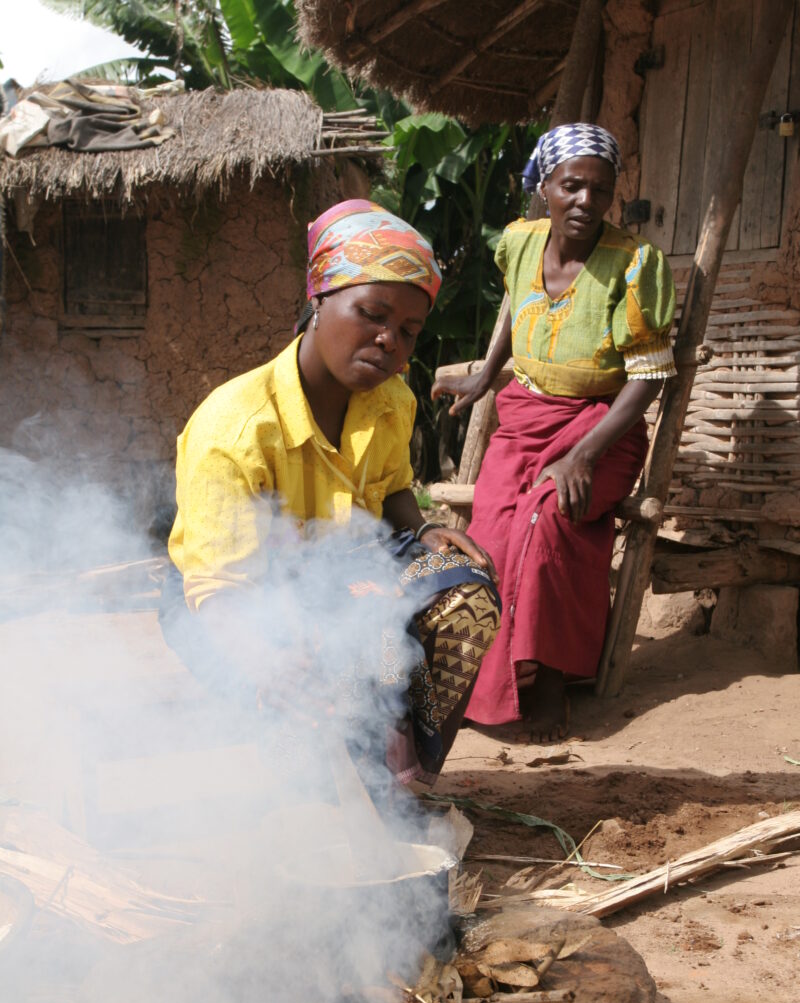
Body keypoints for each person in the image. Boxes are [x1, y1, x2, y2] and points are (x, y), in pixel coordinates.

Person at [161, 199, 500, 785]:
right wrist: (266, 664)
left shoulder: (393, 400)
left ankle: (409, 778)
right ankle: (312, 778)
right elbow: (220, 591)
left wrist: (420, 529)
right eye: (370, 314)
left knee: (466, 593)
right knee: (307, 756)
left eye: (408, 332)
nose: (388, 340)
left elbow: (393, 488)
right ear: (319, 299)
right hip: (236, 603)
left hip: (346, 575)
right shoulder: (235, 429)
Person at [433, 124, 676, 742]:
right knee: (488, 535)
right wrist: (486, 375)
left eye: (600, 190)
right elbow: (516, 305)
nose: (586, 202)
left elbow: (646, 380)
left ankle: (547, 686)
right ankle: (487, 683)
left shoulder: (634, 264)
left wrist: (583, 457)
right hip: (524, 421)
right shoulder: (519, 242)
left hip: (603, 429)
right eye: (572, 187)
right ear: (546, 187)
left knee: (549, 515)